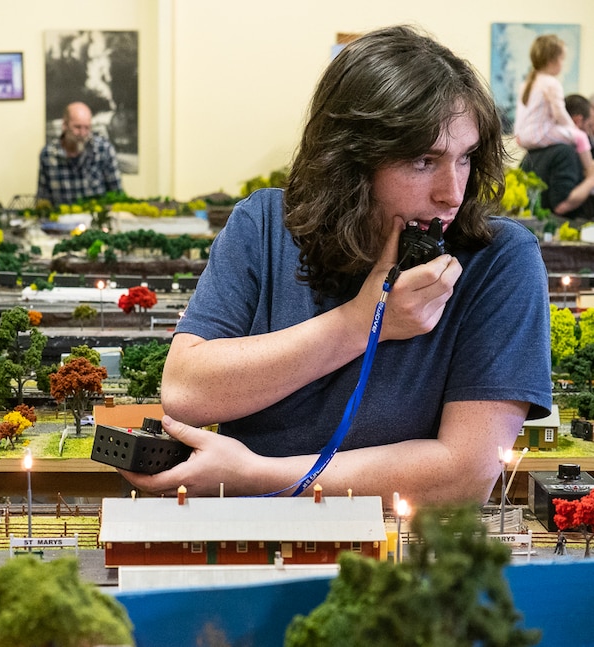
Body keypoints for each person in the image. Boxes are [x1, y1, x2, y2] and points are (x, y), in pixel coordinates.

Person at [119, 26, 552, 507]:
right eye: (424, 161)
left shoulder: (501, 259)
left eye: (465, 158)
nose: (452, 193)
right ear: (350, 160)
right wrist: (361, 323)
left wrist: (257, 476)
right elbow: (187, 390)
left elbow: (464, 476)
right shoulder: (264, 224)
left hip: (404, 561)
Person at [514, 34, 594, 214]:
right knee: (580, 137)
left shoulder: (528, 83)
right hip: (542, 133)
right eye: (562, 59)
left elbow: (522, 112)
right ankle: (591, 171)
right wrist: (571, 129)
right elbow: (559, 112)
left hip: (526, 135)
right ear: (553, 60)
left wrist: (519, 134)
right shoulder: (552, 83)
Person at [521, 94, 594, 220]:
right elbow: (561, 205)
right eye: (589, 126)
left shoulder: (536, 147)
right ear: (577, 121)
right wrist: (591, 180)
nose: (589, 134)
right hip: (555, 229)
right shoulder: (566, 152)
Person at [36, 101, 123, 206]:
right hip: (62, 219)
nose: (82, 133)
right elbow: (43, 200)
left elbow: (117, 196)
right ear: (65, 125)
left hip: (96, 218)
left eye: (87, 128)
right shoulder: (48, 155)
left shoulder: (103, 150)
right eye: (77, 127)